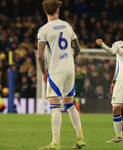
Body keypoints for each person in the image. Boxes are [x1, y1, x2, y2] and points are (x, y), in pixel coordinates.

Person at [37, 0, 86, 149]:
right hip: (70, 69)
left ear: (45, 12)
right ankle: (81, 138)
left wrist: (44, 72)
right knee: (70, 104)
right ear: (58, 10)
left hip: (56, 71)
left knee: (55, 106)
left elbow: (40, 56)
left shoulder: (43, 30)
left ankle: (55, 143)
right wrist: (70, 60)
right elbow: (77, 48)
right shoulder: (67, 25)